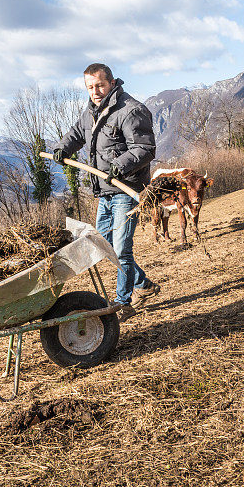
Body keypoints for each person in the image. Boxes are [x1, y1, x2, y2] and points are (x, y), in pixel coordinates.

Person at [51, 63, 160, 322]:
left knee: (121, 248)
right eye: (90, 87)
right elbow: (78, 133)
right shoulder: (92, 111)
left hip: (127, 188)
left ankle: (124, 303)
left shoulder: (131, 110)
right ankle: (143, 284)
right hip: (104, 191)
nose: (95, 91)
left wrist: (119, 166)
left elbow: (145, 148)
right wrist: (63, 148)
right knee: (106, 246)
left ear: (112, 82)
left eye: (99, 85)